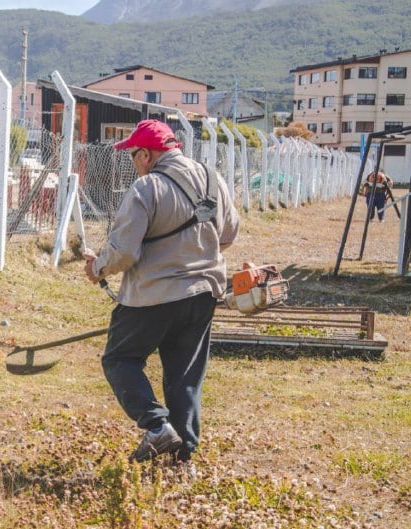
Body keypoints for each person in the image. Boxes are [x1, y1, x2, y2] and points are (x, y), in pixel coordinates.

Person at [83, 119, 240, 468]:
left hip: (152, 297)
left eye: (134, 156)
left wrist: (97, 268)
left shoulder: (147, 188)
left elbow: (123, 252)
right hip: (202, 294)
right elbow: (228, 234)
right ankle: (182, 460)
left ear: (146, 154)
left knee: (120, 359)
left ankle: (156, 426)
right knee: (185, 377)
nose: (133, 163)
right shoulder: (213, 180)